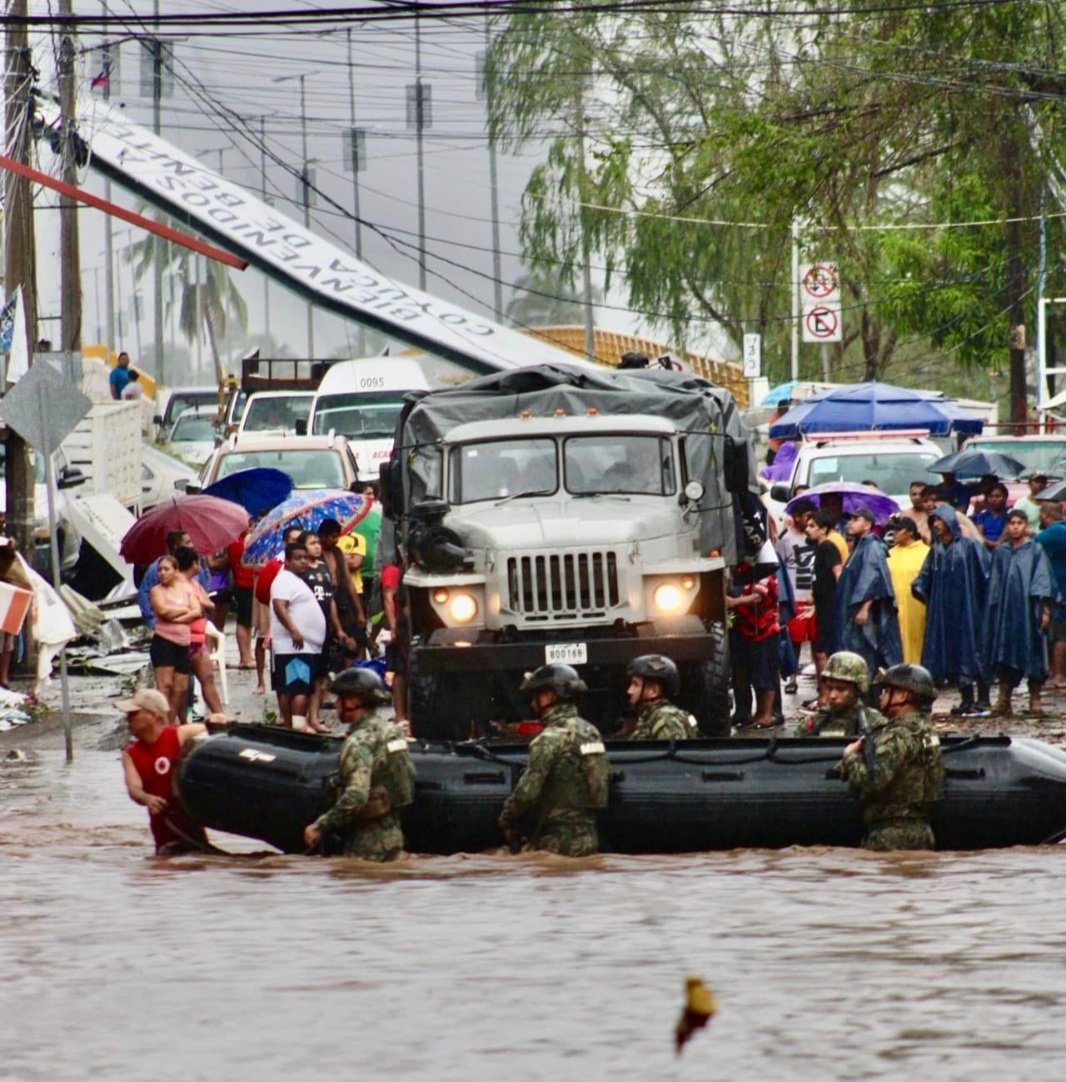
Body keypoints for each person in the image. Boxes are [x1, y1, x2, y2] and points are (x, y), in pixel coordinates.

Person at [302, 668, 415, 861]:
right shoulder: (391, 732)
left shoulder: (358, 743)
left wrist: (320, 825)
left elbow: (356, 796)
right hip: (393, 841)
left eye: (341, 699)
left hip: (365, 848)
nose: (336, 704)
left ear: (354, 701)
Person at [498, 664, 609, 856]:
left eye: (537, 696)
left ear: (550, 696)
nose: (533, 703)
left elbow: (527, 794)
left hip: (556, 844)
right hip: (589, 841)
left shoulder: (548, 739)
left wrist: (505, 818)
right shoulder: (591, 732)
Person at [838, 663, 944, 851]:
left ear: (902, 696)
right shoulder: (927, 730)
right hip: (923, 832)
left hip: (889, 835)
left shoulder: (896, 735)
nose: (881, 696)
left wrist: (850, 757)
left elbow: (874, 781)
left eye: (886, 691)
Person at [911, 503, 991, 716]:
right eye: (934, 521)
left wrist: (985, 605)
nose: (936, 525)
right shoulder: (935, 551)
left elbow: (987, 575)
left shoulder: (970, 547)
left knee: (974, 651)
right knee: (953, 652)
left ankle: (983, 699)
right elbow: (924, 577)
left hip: (970, 609)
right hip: (944, 613)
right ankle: (966, 700)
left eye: (940, 520)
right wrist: (919, 588)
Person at [983, 509, 1057, 717]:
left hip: (1028, 611)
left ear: (1026, 526)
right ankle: (1004, 698)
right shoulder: (1001, 553)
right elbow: (994, 584)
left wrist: (1044, 610)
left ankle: (1035, 699)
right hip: (1005, 613)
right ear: (1008, 526)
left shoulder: (1035, 550)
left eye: (1020, 523)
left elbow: (1043, 581)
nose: (1015, 526)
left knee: (1033, 651)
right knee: (1004, 652)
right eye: (1012, 523)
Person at [119, 687, 208, 854]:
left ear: (152, 715)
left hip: (192, 830)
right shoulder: (130, 754)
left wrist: (218, 718)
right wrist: (147, 799)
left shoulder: (179, 735)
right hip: (163, 836)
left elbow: (210, 729)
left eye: (133, 714)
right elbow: (134, 789)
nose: (127, 719)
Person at [298, 529, 358, 731]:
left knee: (320, 676)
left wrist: (338, 629)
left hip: (324, 629)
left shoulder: (323, 569)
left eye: (317, 542)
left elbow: (330, 600)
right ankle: (300, 719)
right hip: (305, 630)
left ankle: (314, 718)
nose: (317, 546)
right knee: (304, 676)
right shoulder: (299, 572)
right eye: (312, 543)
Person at [269, 540, 327, 730]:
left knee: (292, 688)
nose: (303, 562)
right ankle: (297, 725)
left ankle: (291, 726)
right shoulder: (284, 580)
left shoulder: (294, 580)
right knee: (298, 687)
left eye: (305, 558)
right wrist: (294, 630)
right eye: (298, 558)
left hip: (301, 645)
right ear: (287, 561)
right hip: (294, 645)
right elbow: (279, 606)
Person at [837, 508, 902, 673]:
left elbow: (873, 577)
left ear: (867, 524)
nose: (850, 523)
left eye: (855, 519)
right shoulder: (859, 545)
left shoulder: (873, 546)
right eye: (849, 519)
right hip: (851, 610)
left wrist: (864, 608)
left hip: (866, 612)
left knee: (867, 654)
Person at [726, 560, 780, 729]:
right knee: (749, 674)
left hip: (766, 630)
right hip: (746, 630)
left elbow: (758, 596)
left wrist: (733, 602)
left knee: (766, 673)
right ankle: (753, 713)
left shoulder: (766, 573)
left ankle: (768, 714)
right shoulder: (739, 571)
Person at [148, 553, 201, 722]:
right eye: (160, 570)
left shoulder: (185, 589)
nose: (162, 573)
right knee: (165, 687)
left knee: (181, 688)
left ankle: (170, 722)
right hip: (164, 641)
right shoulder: (156, 591)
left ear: (176, 571)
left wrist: (178, 616)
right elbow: (162, 611)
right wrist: (185, 610)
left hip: (183, 642)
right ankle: (163, 723)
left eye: (166, 569)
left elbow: (197, 611)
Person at [175, 546, 224, 717]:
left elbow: (210, 605)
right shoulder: (177, 584)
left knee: (208, 679)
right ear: (194, 564)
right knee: (181, 686)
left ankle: (220, 715)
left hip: (198, 639)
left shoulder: (194, 584)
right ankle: (183, 721)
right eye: (199, 563)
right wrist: (199, 605)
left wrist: (200, 604)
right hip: (181, 640)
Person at [776, 498, 816, 692]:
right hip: (796, 596)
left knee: (817, 642)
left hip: (814, 597)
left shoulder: (816, 536)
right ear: (797, 517)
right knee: (795, 641)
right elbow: (779, 567)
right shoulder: (786, 539)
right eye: (807, 516)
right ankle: (792, 678)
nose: (809, 521)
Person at [804, 509, 844, 697]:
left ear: (823, 529)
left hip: (831, 607)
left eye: (812, 526)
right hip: (822, 606)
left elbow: (838, 573)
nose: (807, 529)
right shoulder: (818, 549)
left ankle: (826, 694)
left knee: (822, 652)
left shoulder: (828, 547)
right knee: (819, 650)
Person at [796, 650, 880, 736]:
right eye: (829, 688)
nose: (832, 696)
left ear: (858, 690)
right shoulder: (814, 722)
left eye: (841, 689)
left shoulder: (876, 724)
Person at [318, 518, 366, 665]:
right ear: (323, 536)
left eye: (337, 536)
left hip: (344, 604)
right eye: (333, 537)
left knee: (353, 644)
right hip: (323, 605)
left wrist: (359, 611)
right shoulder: (315, 555)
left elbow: (349, 581)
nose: (336, 540)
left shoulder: (338, 552)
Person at [885, 516, 930, 665]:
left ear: (910, 532)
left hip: (918, 608)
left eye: (898, 530)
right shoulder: (889, 554)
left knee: (918, 639)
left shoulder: (926, 553)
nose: (894, 533)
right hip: (894, 609)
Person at [623, 654, 693, 740]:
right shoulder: (652, 718)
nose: (629, 691)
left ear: (654, 691)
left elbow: (670, 752)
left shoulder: (667, 721)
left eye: (635, 684)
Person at [1036, 501, 1066, 689]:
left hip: (1060, 592)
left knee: (1059, 635)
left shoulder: (1052, 534)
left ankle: (1058, 675)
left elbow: (1028, 547)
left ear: (1046, 515)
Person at [973, 483, 1009, 549]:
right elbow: (979, 534)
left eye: (997, 496)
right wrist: (989, 544)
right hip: (985, 547)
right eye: (991, 496)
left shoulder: (1009, 514)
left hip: (1004, 548)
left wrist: (997, 544)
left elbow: (1006, 533)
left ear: (1005, 497)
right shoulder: (983, 515)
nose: (994, 499)